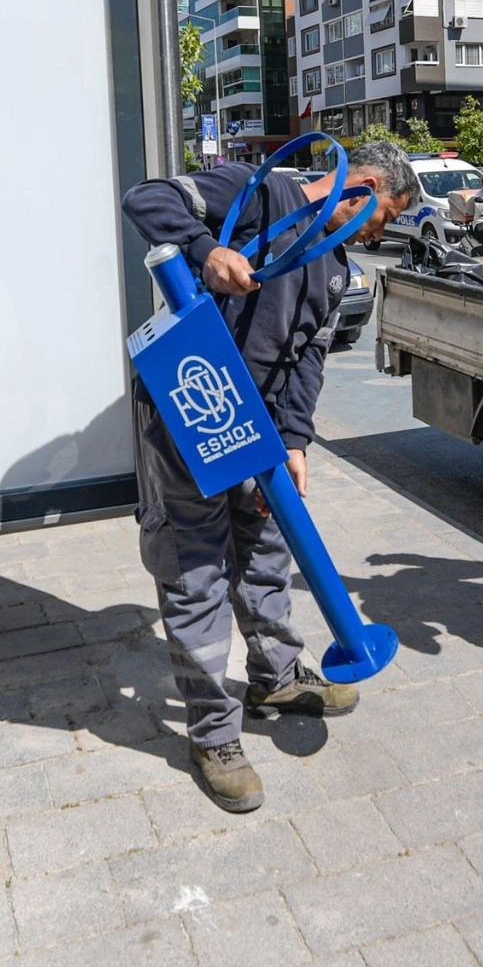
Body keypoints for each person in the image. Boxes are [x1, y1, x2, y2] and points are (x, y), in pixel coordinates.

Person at [121, 140, 419, 811]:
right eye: (379, 219)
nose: (375, 235)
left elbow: (306, 360)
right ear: (363, 185)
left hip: (259, 439)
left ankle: (277, 677)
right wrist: (208, 251)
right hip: (191, 421)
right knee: (195, 571)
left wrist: (295, 442)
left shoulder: (334, 269)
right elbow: (147, 198)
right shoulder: (255, 195)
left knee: (264, 557)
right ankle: (213, 734)